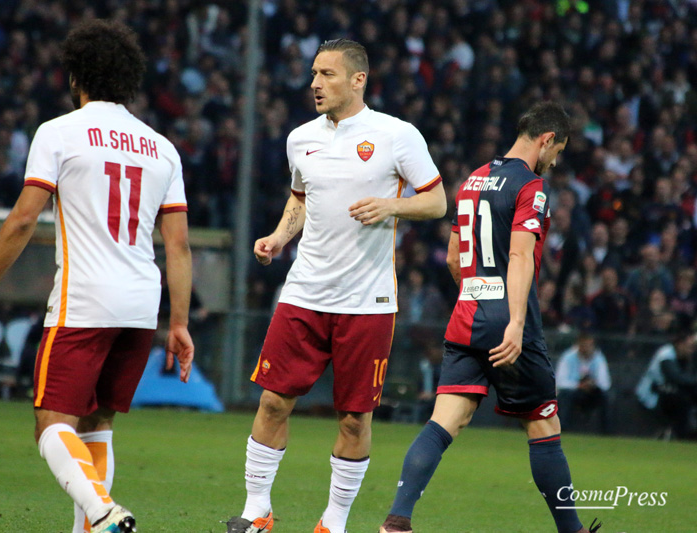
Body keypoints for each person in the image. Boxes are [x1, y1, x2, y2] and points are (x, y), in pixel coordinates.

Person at [0, 20, 194, 533]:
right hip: (141, 304)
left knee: (50, 423)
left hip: (84, 299)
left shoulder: (59, 132)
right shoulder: (161, 148)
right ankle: (92, 525)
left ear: (75, 77)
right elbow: (176, 245)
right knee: (98, 422)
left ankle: (104, 511)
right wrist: (179, 322)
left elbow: (23, 219)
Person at [225, 39, 447, 533]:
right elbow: (301, 198)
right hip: (304, 293)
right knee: (272, 401)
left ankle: (333, 522)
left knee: (353, 418)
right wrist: (280, 236)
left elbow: (436, 203)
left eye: (326, 74)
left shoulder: (396, 135)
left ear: (357, 80)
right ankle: (256, 510)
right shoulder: (300, 138)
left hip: (368, 301)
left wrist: (391, 205)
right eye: (313, 74)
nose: (315, 84)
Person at [380, 102, 601, 533]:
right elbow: (520, 254)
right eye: (557, 151)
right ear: (546, 139)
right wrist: (514, 321)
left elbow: (453, 257)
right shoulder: (531, 186)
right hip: (507, 318)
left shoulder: (472, 179)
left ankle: (396, 521)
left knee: (446, 420)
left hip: (467, 312)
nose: (555, 161)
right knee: (543, 423)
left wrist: (478, 293)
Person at [636, 330, 697, 440]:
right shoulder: (666, 354)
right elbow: (675, 377)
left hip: (668, 390)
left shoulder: (685, 357)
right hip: (652, 390)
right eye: (689, 347)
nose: (691, 350)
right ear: (680, 344)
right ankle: (681, 434)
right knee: (682, 399)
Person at [555, 331, 612, 433]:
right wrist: (579, 385)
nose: (586, 348)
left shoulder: (599, 359)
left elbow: (605, 383)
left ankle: (607, 431)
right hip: (574, 392)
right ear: (578, 345)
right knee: (564, 395)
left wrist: (592, 385)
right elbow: (560, 381)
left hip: (592, 393)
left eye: (588, 345)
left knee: (606, 396)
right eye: (583, 345)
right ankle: (563, 428)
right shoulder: (568, 357)